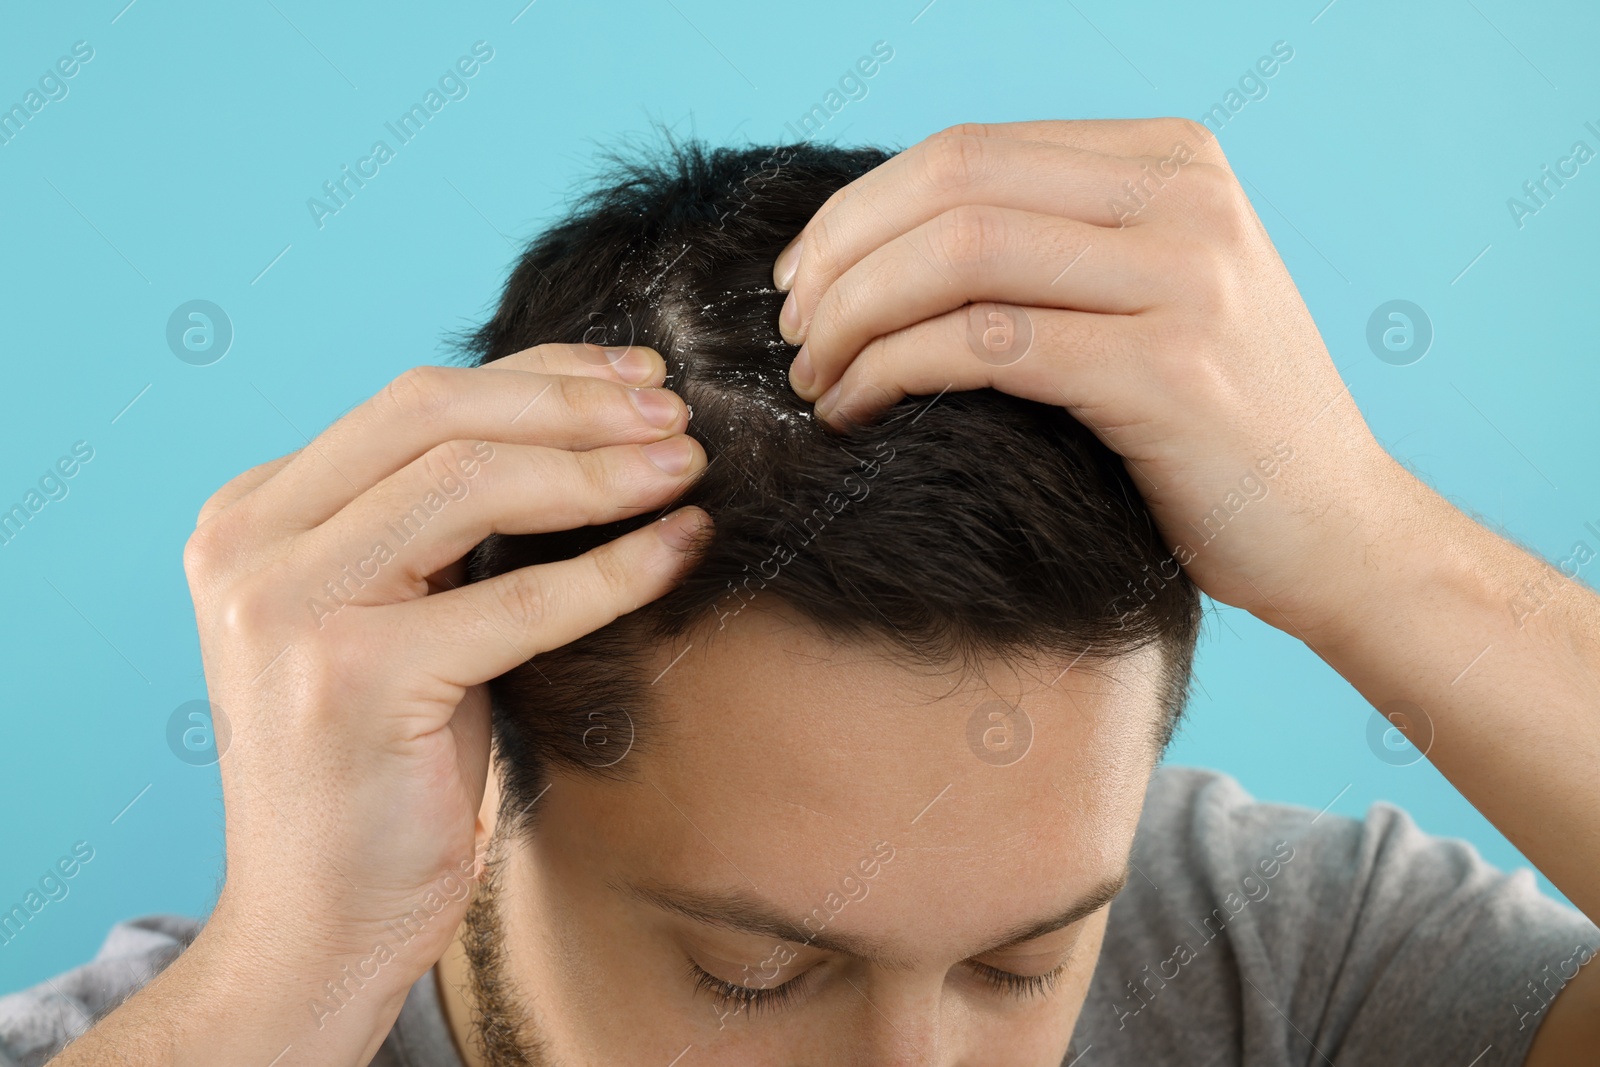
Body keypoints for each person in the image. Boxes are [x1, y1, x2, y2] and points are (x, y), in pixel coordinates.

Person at [4, 121, 1598, 1066]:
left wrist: (1387, 554)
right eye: (752, 975)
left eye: (1023, 968)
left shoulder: (1271, 963)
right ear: (477, 779)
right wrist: (296, 965)